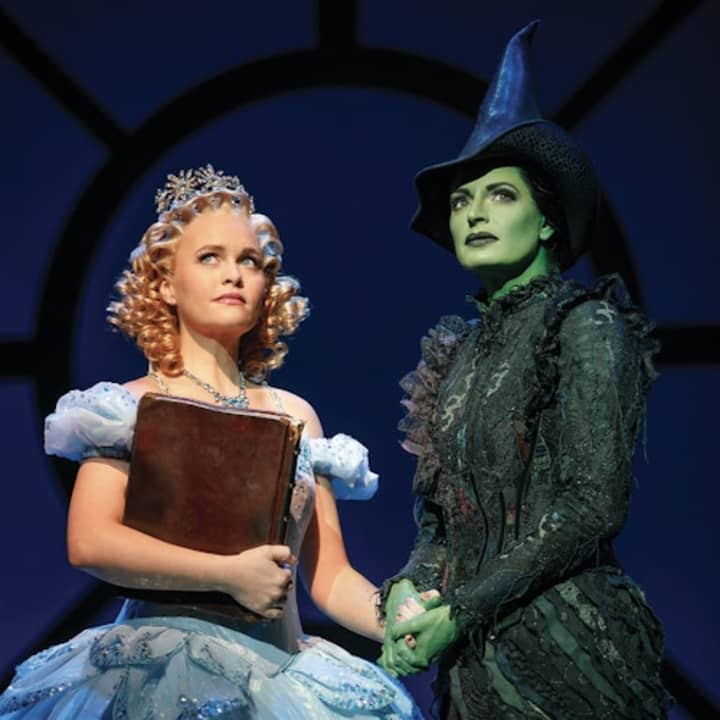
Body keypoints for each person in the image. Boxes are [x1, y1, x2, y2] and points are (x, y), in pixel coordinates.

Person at [0, 164, 422, 719]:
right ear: (164, 284)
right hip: (157, 679)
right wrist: (227, 575)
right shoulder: (127, 407)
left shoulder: (295, 415)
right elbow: (90, 541)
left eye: (249, 261)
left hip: (283, 675)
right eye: (209, 257)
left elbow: (329, 577)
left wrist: (400, 622)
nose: (233, 275)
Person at [378, 22, 669, 719]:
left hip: (570, 650)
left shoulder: (585, 326)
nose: (475, 213)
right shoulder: (458, 354)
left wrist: (462, 610)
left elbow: (593, 506)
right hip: (474, 665)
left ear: (546, 222)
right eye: (461, 201)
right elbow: (444, 522)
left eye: (500, 195)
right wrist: (406, 588)